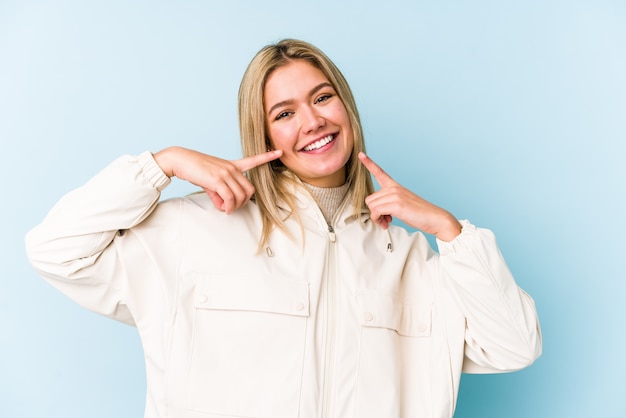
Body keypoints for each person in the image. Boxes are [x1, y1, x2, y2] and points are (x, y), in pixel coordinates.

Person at [25, 39, 542, 418]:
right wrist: (164, 164)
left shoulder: (409, 258)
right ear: (263, 131)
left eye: (322, 98)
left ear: (346, 109)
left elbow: (515, 345)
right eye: (284, 112)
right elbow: (56, 250)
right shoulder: (194, 230)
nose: (312, 122)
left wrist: (450, 232)